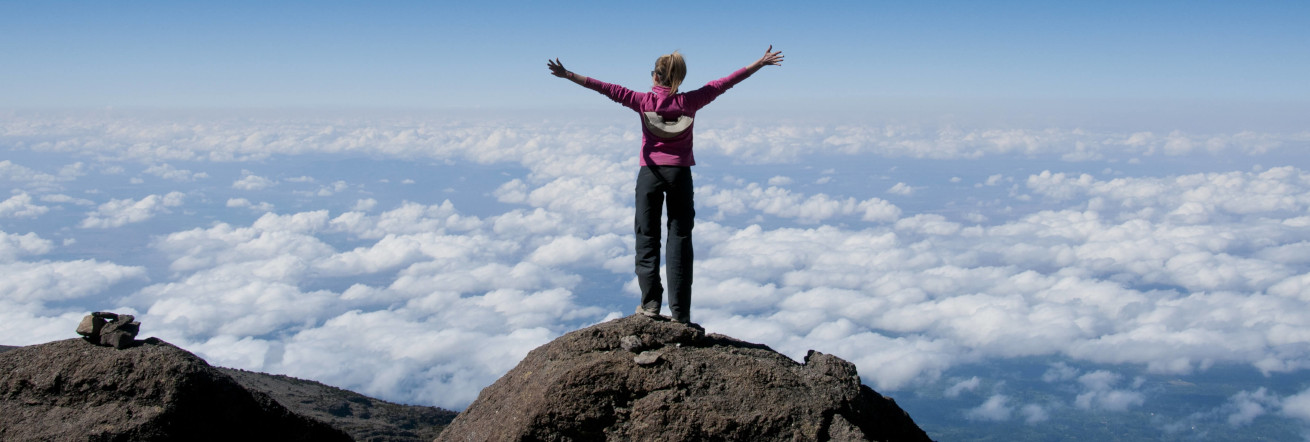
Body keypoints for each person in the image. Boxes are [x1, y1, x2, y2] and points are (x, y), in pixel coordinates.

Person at [547, 46, 784, 324]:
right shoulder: (691, 101)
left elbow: (605, 88)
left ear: (656, 77)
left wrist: (568, 74)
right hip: (680, 175)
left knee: (646, 237)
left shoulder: (642, 101)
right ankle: (680, 313)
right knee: (680, 239)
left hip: (649, 174)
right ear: (678, 78)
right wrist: (759, 63)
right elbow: (725, 83)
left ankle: (650, 305)